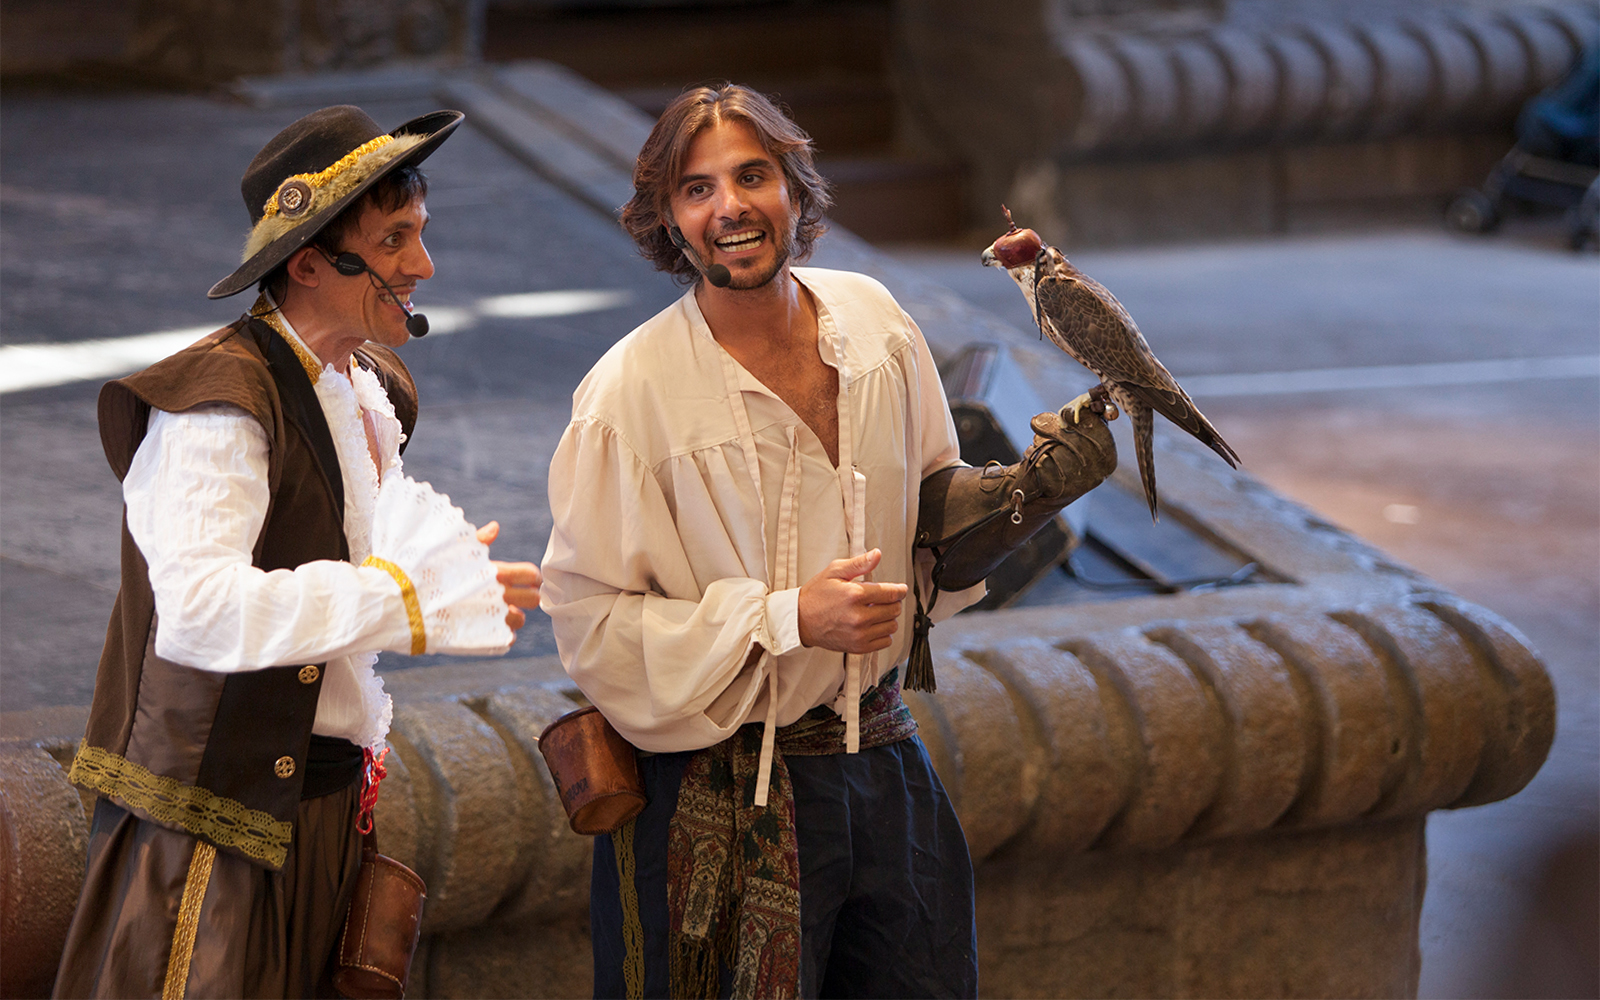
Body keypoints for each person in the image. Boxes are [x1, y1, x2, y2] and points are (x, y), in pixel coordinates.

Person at [541, 84, 1115, 999]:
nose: (728, 205)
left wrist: (1029, 496)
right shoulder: (628, 397)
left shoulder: (878, 325)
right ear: (668, 219)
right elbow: (592, 626)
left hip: (884, 762)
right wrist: (786, 617)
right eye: (697, 189)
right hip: (721, 795)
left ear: (796, 191)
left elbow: (932, 519)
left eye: (753, 175)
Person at [52, 104, 542, 999]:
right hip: (212, 837)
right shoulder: (216, 406)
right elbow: (199, 615)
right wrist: (403, 596)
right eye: (394, 240)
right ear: (310, 260)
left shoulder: (370, 389)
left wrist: (444, 580)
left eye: (419, 235)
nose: (422, 267)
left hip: (325, 814)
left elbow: (352, 561)